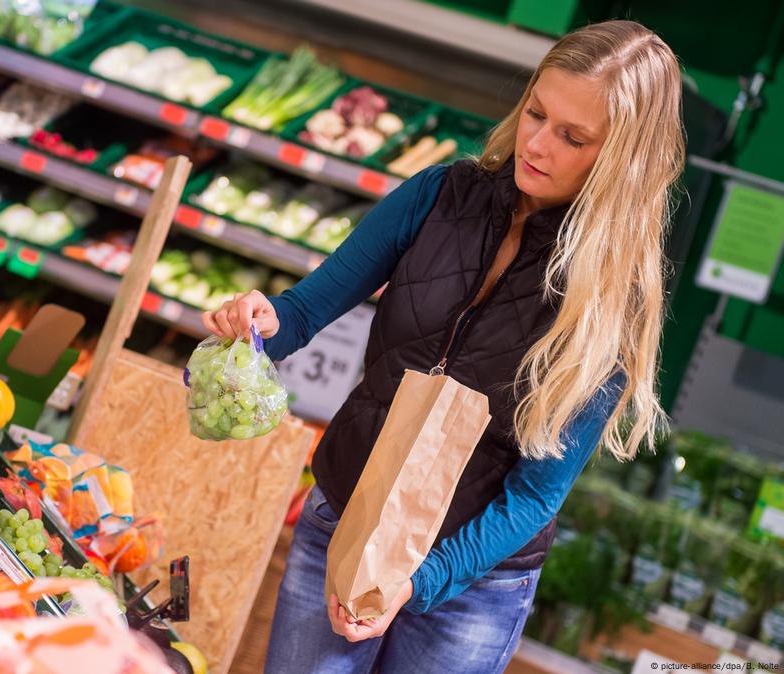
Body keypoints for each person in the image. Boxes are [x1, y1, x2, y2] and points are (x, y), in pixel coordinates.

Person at [200, 19, 684, 674]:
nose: (536, 144)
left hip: (469, 589)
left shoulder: (608, 303)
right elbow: (303, 311)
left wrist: (417, 581)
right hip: (344, 518)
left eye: (572, 137)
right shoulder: (438, 197)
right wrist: (256, 322)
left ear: (621, 160)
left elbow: (535, 495)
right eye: (535, 113)